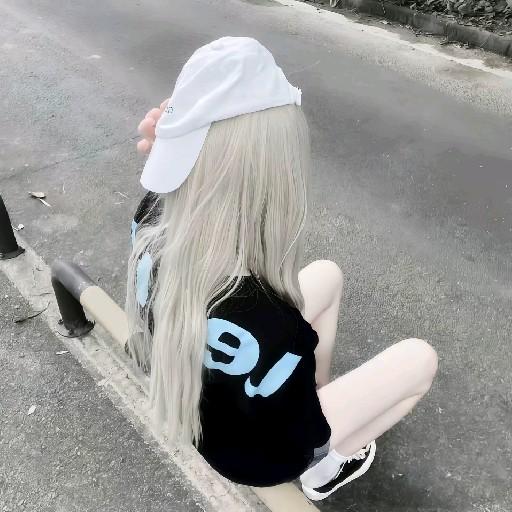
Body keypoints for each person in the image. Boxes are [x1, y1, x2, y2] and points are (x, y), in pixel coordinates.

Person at [126, 36, 438, 501]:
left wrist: (171, 148)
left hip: (199, 398)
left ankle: (316, 387)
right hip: (262, 455)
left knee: (327, 274)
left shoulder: (151, 218)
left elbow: (176, 177)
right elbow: (302, 430)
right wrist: (318, 424)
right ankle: (325, 470)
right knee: (421, 358)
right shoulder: (272, 322)